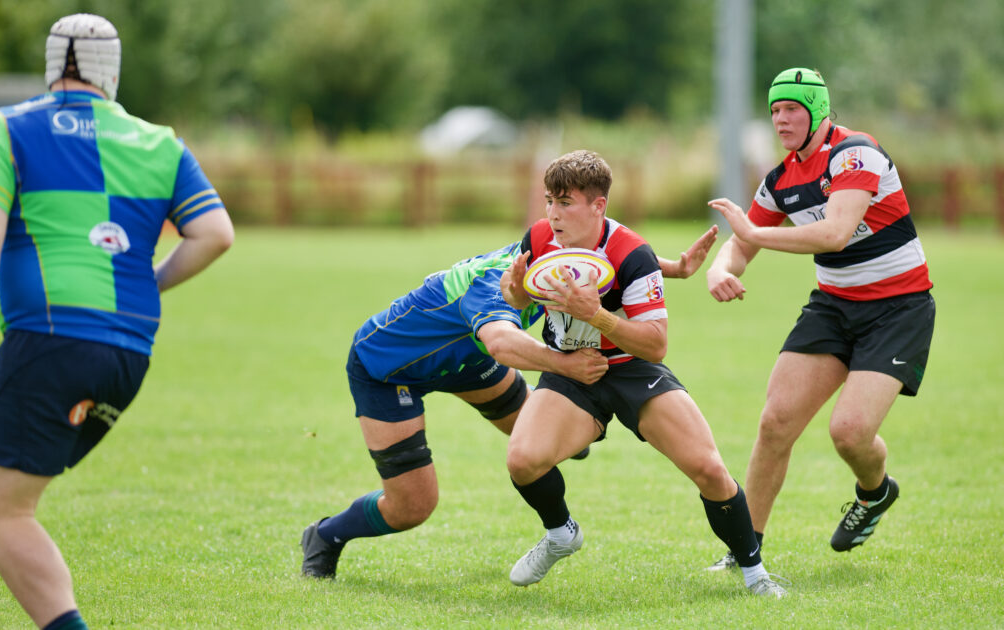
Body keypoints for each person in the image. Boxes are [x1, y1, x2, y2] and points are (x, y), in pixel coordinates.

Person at [0, 14, 234, 630]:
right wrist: (149, 281)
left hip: (50, 337)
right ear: (111, 72)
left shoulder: (7, 128)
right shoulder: (161, 142)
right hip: (127, 352)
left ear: (51, 66)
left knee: (5, 510)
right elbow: (215, 234)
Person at [299, 223, 721, 580]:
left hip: (469, 359)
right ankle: (327, 534)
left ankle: (559, 513)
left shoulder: (543, 258)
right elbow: (501, 342)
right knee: (414, 505)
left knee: (546, 442)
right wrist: (565, 365)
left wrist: (675, 269)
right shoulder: (493, 287)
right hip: (388, 372)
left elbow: (613, 264)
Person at [499, 150, 786, 597]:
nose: (553, 214)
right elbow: (520, 300)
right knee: (522, 460)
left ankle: (755, 574)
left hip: (633, 370)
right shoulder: (538, 238)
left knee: (708, 469)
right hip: (571, 372)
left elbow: (656, 343)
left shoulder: (631, 254)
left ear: (599, 206)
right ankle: (560, 533)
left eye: (565, 203)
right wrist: (516, 293)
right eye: (549, 201)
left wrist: (597, 316)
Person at [703, 67, 935, 570]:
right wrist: (719, 269)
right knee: (775, 424)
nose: (781, 120)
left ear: (817, 110)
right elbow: (740, 244)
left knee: (849, 432)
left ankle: (875, 493)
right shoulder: (781, 178)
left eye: (791, 109)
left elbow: (834, 233)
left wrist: (755, 236)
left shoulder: (855, 152)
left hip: (898, 308)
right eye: (774, 112)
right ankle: (746, 549)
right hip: (833, 307)